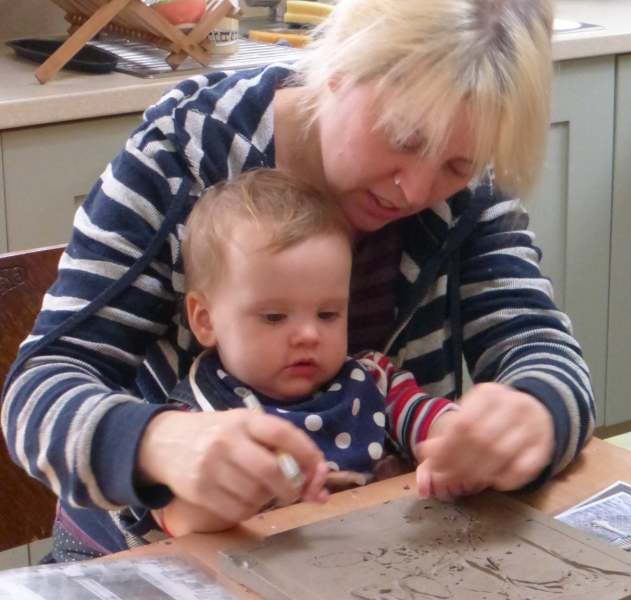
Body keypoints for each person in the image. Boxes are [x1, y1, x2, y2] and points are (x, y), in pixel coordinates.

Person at [2, 0, 596, 561]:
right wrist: (157, 443)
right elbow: (36, 391)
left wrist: (535, 414)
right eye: (403, 137)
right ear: (336, 69)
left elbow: (538, 349)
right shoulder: (182, 158)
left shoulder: (470, 196)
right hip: (150, 558)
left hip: (365, 551)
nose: (415, 190)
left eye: (456, 165)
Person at [157, 168, 457, 537]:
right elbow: (176, 521)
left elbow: (433, 424)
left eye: (328, 314)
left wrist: (457, 438)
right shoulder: (197, 418)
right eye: (274, 316)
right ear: (205, 320)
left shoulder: (373, 380)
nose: (308, 335)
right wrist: (233, 497)